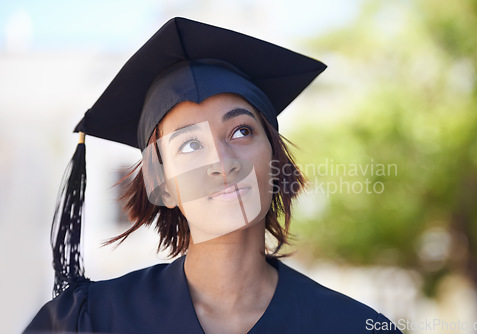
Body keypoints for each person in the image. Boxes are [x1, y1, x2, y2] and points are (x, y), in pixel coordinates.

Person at [24, 17, 402, 334]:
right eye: (190, 145)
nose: (222, 161)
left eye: (241, 131)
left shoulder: (352, 326)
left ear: (275, 160)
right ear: (162, 186)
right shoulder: (91, 322)